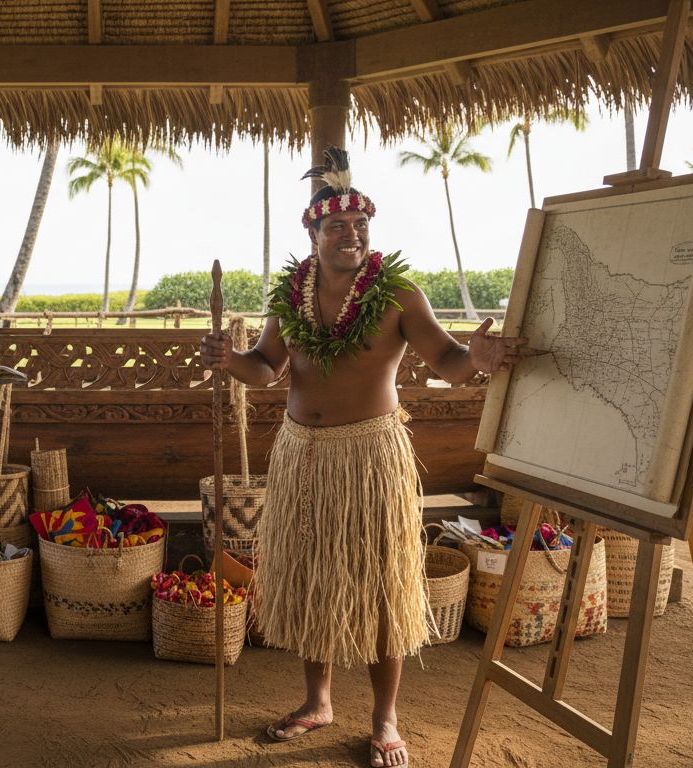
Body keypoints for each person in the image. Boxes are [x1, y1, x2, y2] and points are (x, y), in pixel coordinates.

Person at [200, 147, 529, 768]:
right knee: (310, 576)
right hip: (301, 454)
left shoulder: (398, 294)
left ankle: (385, 719)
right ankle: (318, 700)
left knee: (380, 583)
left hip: (369, 458)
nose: (350, 235)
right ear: (313, 232)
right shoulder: (290, 297)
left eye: (359, 226)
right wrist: (228, 361)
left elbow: (448, 359)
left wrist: (477, 362)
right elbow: (267, 370)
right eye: (336, 227)